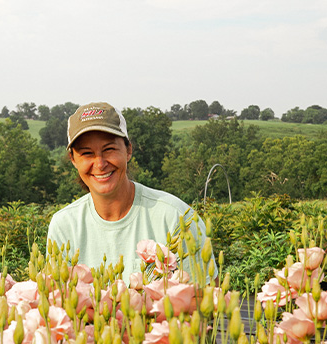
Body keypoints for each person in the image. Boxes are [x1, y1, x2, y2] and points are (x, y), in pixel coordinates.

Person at [47, 102, 215, 284]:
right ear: (73, 159)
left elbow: (204, 302)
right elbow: (58, 300)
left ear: (128, 150)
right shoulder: (64, 226)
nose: (100, 163)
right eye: (87, 153)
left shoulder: (176, 217)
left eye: (109, 149)